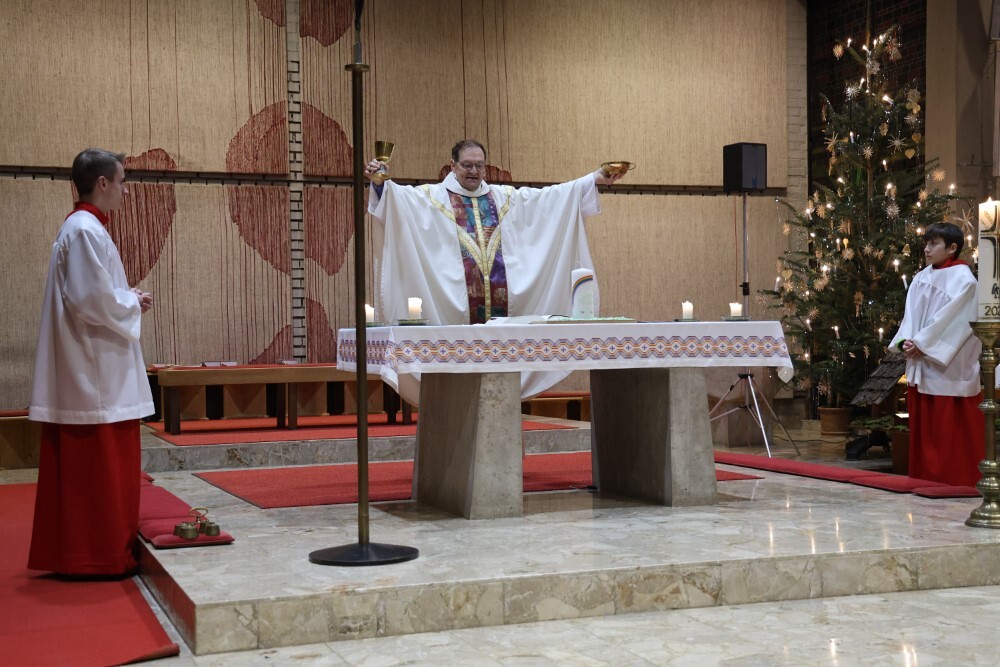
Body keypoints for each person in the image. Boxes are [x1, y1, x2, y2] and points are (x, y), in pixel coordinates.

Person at [364, 140, 623, 400]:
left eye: (479, 165)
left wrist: (594, 178)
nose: (473, 171)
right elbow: (395, 198)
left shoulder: (505, 199)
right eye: (467, 165)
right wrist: (379, 182)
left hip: (500, 316)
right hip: (453, 315)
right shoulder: (430, 198)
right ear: (452, 165)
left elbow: (553, 197)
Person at [27, 148, 155, 577]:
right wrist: (130, 302)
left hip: (94, 366)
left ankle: (91, 553)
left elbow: (92, 293)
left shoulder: (85, 228)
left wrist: (125, 297)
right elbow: (88, 300)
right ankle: (98, 556)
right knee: (100, 470)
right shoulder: (84, 230)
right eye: (121, 181)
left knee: (96, 471)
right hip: (95, 372)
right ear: (102, 183)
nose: (125, 190)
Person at [889, 222, 984, 486]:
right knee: (925, 426)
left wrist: (924, 344)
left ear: (952, 248)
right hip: (922, 360)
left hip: (948, 364)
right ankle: (923, 478)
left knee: (948, 428)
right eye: (926, 243)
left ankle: (956, 480)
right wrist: (907, 342)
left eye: (934, 244)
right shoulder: (922, 277)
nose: (927, 249)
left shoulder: (964, 280)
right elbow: (911, 316)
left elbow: (957, 321)